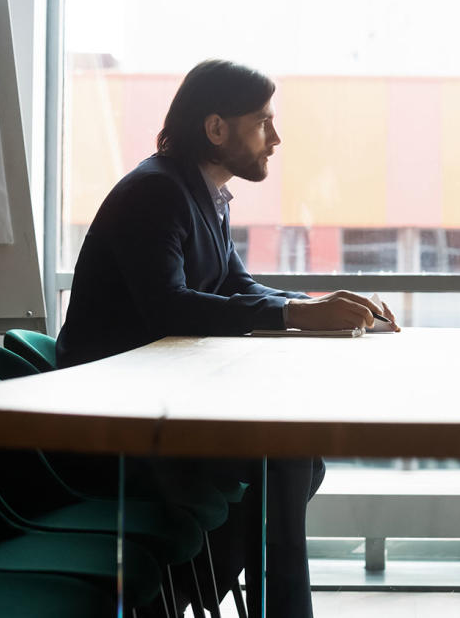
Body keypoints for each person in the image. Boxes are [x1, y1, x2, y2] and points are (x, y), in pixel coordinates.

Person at [57, 58, 398, 617]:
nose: (276, 138)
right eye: (263, 122)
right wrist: (299, 318)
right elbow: (169, 306)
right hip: (116, 417)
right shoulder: (157, 193)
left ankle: (171, 598)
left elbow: (236, 284)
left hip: (159, 400)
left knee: (296, 461)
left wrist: (316, 307)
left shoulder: (199, 194)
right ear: (216, 129)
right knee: (288, 460)